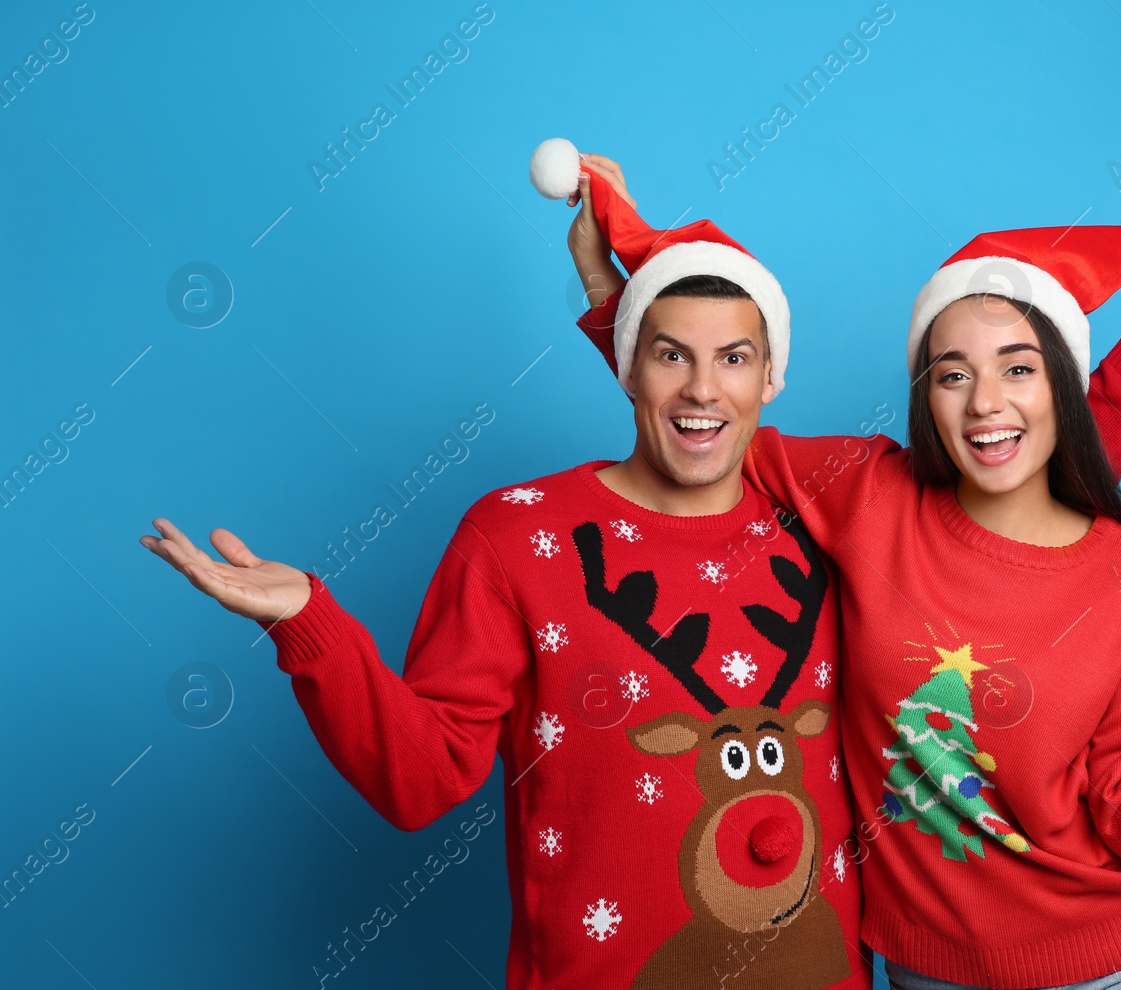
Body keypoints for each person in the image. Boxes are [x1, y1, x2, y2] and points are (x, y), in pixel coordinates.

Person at [554, 148, 1121, 990]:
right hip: (924, 970)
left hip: (1107, 970)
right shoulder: (866, 495)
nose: (986, 401)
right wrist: (612, 298)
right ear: (925, 396)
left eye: (1019, 370)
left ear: (1060, 389)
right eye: (952, 374)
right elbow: (706, 419)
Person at [140, 203, 893, 988]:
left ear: (771, 374)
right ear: (625, 364)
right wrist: (312, 628)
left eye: (735, 358)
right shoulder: (514, 539)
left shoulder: (831, 519)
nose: (702, 388)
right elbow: (420, 780)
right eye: (670, 356)